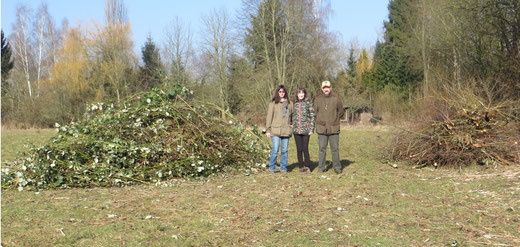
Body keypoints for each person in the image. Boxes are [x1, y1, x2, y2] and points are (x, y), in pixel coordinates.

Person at [314, 80, 344, 174]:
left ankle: (337, 167)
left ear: (331, 88)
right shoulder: (317, 99)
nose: (326, 89)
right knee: (322, 149)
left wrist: (334, 120)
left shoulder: (336, 99)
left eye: (328, 87)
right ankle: (321, 167)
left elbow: (341, 112)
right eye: (324, 88)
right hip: (322, 128)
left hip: (333, 128)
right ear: (322, 89)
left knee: (335, 149)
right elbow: (315, 112)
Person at [265, 85, 293, 173]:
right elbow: (269, 117)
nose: (281, 93)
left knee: (284, 150)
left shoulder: (290, 103)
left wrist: (292, 124)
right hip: (275, 130)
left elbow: (292, 116)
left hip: (286, 130)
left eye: (283, 92)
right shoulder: (273, 104)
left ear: (285, 93)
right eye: (280, 92)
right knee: (275, 150)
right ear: (277, 92)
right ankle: (272, 168)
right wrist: (268, 130)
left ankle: (283, 168)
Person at [292, 88, 315, 172]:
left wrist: (311, 129)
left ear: (304, 94)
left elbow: (312, 116)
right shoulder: (294, 104)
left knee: (305, 148)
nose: (301, 95)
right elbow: (291, 115)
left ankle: (307, 166)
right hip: (296, 130)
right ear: (297, 94)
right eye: (299, 93)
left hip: (306, 130)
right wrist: (292, 124)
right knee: (299, 149)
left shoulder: (308, 103)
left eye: (302, 93)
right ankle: (301, 166)